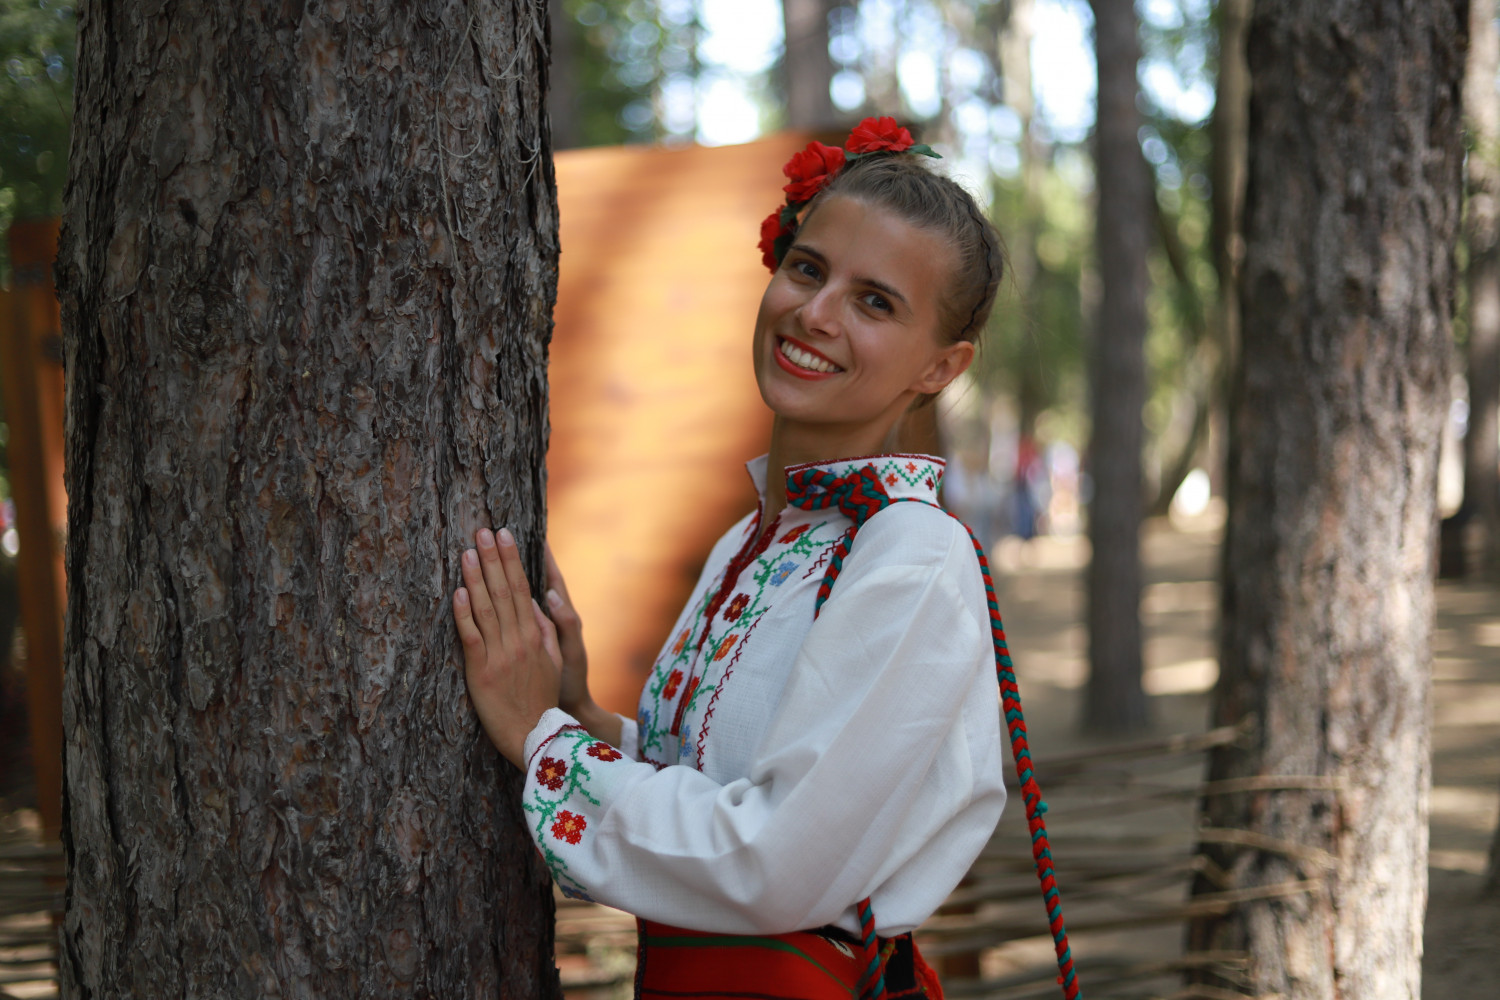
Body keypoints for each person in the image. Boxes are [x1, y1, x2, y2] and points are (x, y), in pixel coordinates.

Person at [451, 118, 1077, 1000]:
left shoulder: (914, 555)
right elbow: (720, 791)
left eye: (875, 301)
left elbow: (776, 862)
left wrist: (538, 738)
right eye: (809, 268)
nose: (814, 313)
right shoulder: (757, 539)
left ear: (941, 366)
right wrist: (581, 712)